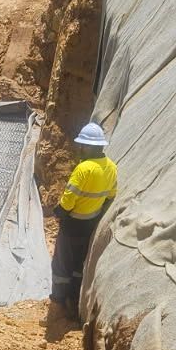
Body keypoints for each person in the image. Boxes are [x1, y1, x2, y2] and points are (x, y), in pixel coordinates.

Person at [51, 121, 117, 313]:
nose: (79, 148)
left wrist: (59, 211)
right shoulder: (111, 167)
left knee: (62, 263)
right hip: (90, 224)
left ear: (91, 146)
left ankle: (58, 301)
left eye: (82, 145)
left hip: (72, 224)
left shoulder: (84, 168)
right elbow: (110, 196)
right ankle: (74, 299)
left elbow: (69, 199)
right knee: (79, 264)